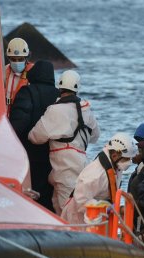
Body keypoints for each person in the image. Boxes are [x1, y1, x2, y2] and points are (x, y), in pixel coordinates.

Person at [28, 70, 100, 214]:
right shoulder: (86, 109)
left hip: (64, 168)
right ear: (77, 88)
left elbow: (34, 137)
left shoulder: (55, 110)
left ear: (59, 86)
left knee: (67, 212)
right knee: (65, 205)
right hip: (81, 163)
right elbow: (95, 136)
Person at [8, 60, 59, 211]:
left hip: (31, 152)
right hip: (54, 154)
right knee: (51, 195)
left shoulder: (27, 92)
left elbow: (18, 123)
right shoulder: (59, 94)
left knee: (33, 193)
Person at [61, 133, 136, 224]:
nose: (129, 162)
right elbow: (81, 201)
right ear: (115, 155)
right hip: (78, 218)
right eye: (126, 159)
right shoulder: (96, 174)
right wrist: (114, 209)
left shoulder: (115, 165)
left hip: (98, 216)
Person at [5, 38, 34, 115]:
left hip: (22, 118)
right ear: (9, 58)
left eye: (20, 59)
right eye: (13, 59)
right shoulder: (3, 72)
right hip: (5, 118)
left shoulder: (33, 73)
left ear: (26, 58)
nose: (17, 62)